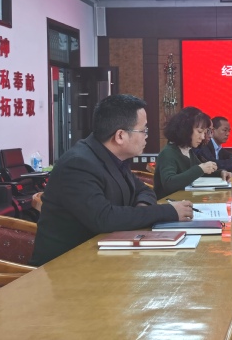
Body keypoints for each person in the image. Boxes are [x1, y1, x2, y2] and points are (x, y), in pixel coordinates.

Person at [30, 94, 193, 266]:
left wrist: (142, 209)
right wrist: (169, 211)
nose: (146, 136)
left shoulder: (111, 156)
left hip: (104, 258)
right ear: (120, 136)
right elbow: (105, 218)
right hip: (64, 267)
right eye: (143, 130)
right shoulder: (78, 164)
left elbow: (144, 190)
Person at [154, 107, 231, 199]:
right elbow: (169, 183)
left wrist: (220, 173)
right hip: (168, 203)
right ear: (186, 129)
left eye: (204, 133)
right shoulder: (168, 153)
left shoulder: (188, 151)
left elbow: (200, 172)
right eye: (199, 132)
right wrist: (200, 168)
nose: (203, 137)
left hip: (185, 200)